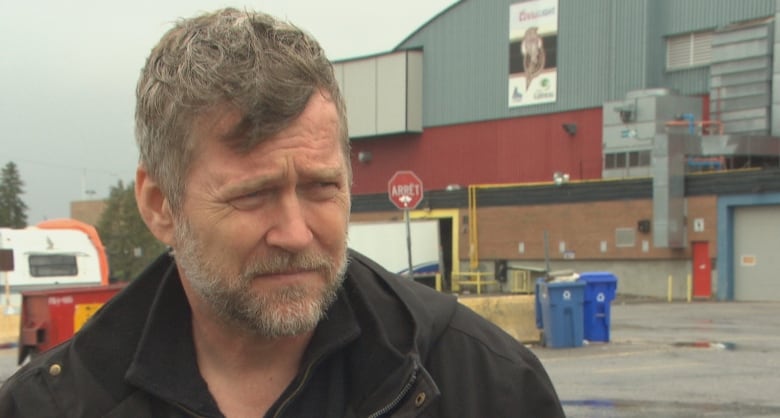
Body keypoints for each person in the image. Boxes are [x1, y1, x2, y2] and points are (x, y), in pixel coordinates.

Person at [0, 8, 564, 417]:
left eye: (321, 188)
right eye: (252, 195)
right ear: (159, 205)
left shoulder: (483, 384)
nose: (295, 233)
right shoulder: (54, 404)